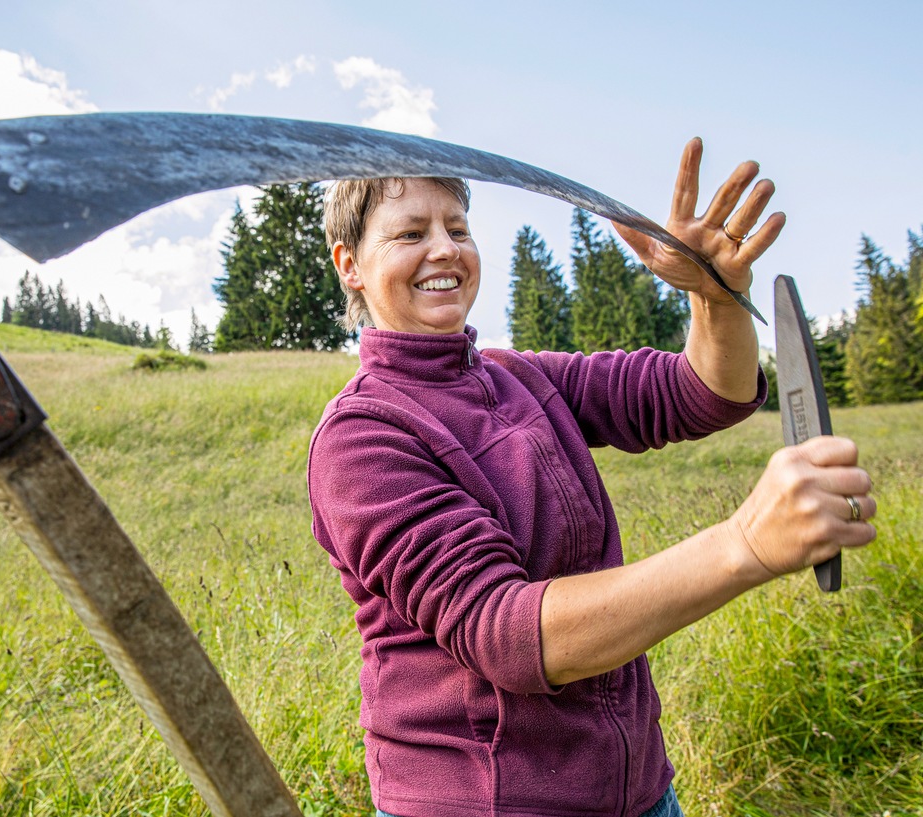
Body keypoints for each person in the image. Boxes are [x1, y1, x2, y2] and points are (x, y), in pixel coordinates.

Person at [307, 139, 877, 817]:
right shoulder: (361, 436)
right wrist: (747, 544)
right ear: (351, 266)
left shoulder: (520, 377)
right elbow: (507, 632)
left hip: (637, 792)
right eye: (410, 232)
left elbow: (701, 392)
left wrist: (716, 298)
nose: (445, 249)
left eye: (457, 227)